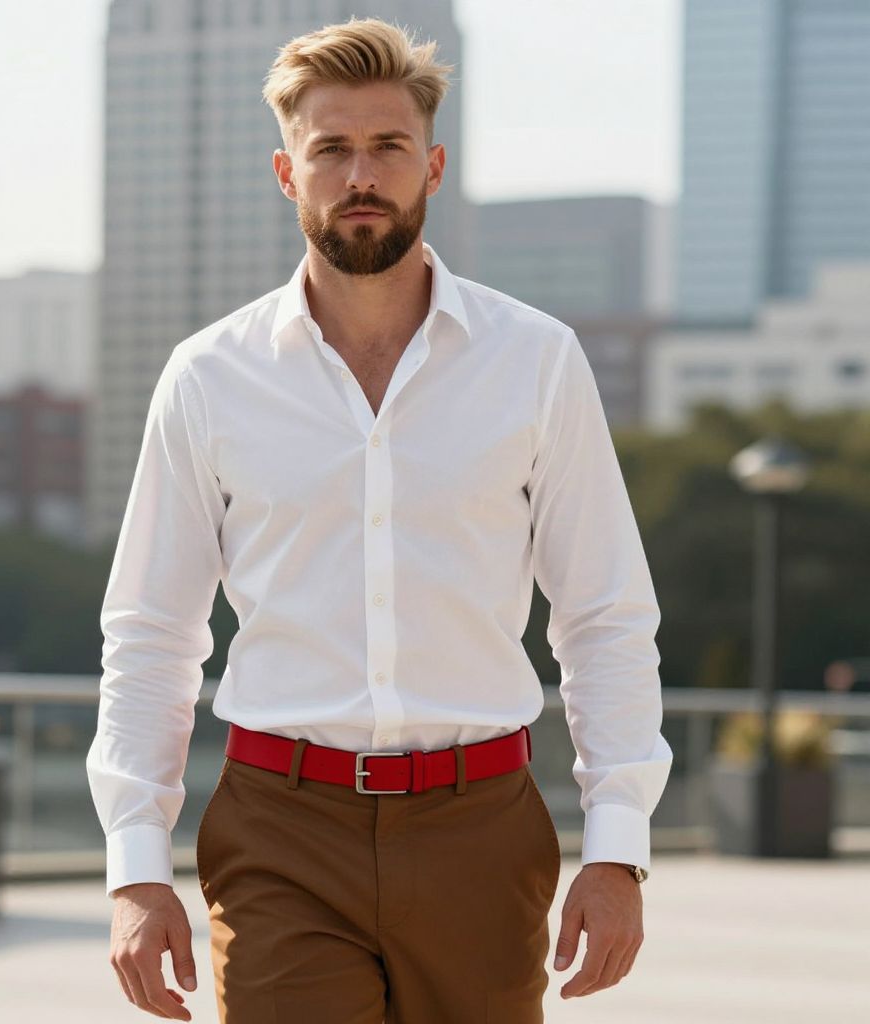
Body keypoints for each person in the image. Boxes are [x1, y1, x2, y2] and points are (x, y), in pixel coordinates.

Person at [86, 15, 673, 1024]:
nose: (361, 175)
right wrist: (137, 868)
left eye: (388, 146)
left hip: (480, 829)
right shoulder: (209, 376)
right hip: (280, 831)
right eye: (331, 150)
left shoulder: (534, 360)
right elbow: (150, 631)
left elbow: (603, 615)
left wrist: (618, 848)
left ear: (432, 166)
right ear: (288, 174)